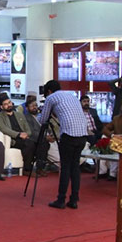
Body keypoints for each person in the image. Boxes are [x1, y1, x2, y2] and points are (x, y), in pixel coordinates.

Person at [39, 80, 94, 209]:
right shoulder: (71, 95)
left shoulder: (51, 98)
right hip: (82, 135)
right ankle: (74, 199)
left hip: (69, 135)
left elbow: (43, 119)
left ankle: (61, 199)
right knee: (75, 167)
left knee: (65, 168)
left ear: (49, 91)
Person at [0, 97, 41, 174]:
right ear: (1, 107)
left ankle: (40, 168)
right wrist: (19, 135)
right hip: (15, 139)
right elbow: (3, 129)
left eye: (9, 102)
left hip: (26, 137)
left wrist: (26, 134)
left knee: (43, 143)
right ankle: (27, 169)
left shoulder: (19, 114)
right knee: (29, 144)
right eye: (5, 104)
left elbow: (27, 128)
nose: (9, 105)